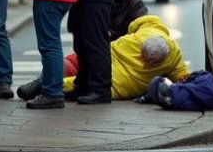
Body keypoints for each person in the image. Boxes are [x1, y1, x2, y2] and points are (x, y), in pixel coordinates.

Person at [16, 0, 148, 101]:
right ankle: (39, 86)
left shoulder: (136, 4)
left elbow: (145, 29)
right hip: (93, 50)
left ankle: (43, 88)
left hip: (119, 55)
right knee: (65, 64)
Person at [61, 15, 189, 100]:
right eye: (143, 56)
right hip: (102, 58)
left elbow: (182, 75)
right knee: (67, 65)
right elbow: (148, 21)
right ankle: (51, 81)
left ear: (161, 60)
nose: (144, 62)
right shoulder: (142, 37)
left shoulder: (173, 57)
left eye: (150, 62)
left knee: (80, 83)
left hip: (109, 75)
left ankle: (50, 84)